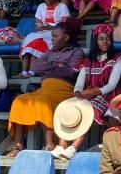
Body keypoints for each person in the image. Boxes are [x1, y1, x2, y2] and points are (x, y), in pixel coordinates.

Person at [7, 21, 85, 157]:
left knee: (44, 101)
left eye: (55, 36)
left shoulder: (77, 52)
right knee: (19, 100)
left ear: (66, 37)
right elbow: (36, 67)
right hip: (45, 87)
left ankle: (50, 145)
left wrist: (50, 66)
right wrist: (56, 64)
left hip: (64, 90)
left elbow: (70, 72)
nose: (52, 39)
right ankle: (19, 145)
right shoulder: (50, 52)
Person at [51, 24, 121, 159]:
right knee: (70, 107)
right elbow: (79, 83)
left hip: (107, 94)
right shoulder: (87, 61)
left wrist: (93, 93)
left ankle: (74, 147)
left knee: (90, 109)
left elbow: (112, 84)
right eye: (101, 38)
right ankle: (62, 146)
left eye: (108, 39)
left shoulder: (116, 59)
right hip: (89, 94)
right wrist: (78, 93)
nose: (105, 41)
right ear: (95, 40)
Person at [14, 0, 70, 79]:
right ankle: (23, 72)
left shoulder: (62, 7)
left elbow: (64, 26)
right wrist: (40, 27)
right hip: (41, 33)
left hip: (54, 34)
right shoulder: (41, 7)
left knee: (36, 44)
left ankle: (31, 72)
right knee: (29, 42)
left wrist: (51, 27)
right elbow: (37, 25)